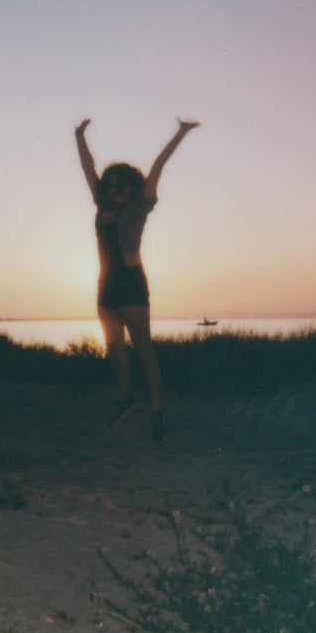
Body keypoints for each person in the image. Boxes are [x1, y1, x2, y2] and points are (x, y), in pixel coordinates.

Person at [75, 116, 200, 440]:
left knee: (143, 348)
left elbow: (158, 166)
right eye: (111, 183)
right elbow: (88, 170)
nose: (115, 188)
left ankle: (157, 409)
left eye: (122, 184)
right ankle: (124, 398)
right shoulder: (101, 206)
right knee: (114, 348)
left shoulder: (139, 207)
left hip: (131, 282)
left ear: (132, 187)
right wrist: (79, 136)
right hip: (106, 286)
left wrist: (180, 133)